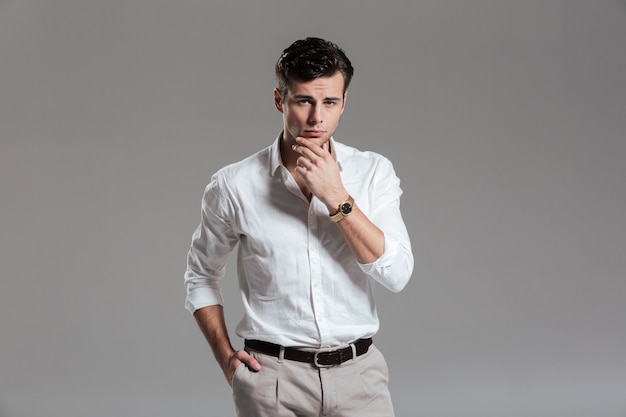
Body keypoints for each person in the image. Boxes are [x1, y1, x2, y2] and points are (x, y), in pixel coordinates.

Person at [184, 37, 414, 417]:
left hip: (361, 379)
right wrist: (226, 358)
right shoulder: (234, 184)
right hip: (272, 382)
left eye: (330, 103)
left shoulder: (373, 173)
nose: (316, 118)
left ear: (343, 104)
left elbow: (397, 275)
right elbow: (200, 276)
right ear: (280, 101)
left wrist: (337, 197)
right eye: (303, 101)